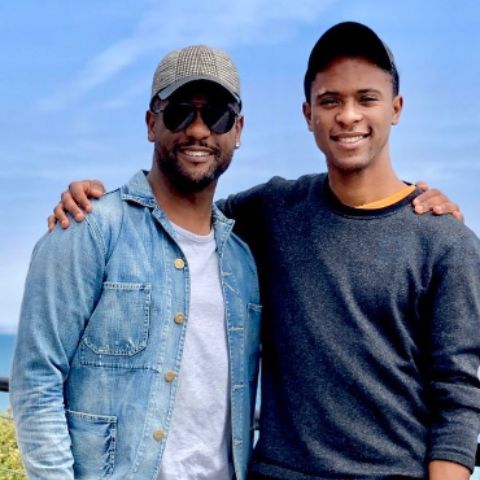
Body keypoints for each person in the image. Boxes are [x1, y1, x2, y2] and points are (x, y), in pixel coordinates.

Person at [49, 23, 480, 480]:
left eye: (367, 99)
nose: (348, 116)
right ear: (307, 113)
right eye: (331, 100)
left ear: (396, 108)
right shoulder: (273, 210)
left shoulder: (445, 242)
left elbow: (457, 399)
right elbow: (180, 216)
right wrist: (95, 203)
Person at [11, 45, 261, 480]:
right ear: (151, 123)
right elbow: (36, 379)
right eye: (180, 112)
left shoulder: (243, 262)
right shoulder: (89, 228)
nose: (198, 130)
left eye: (217, 114)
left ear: (237, 130)